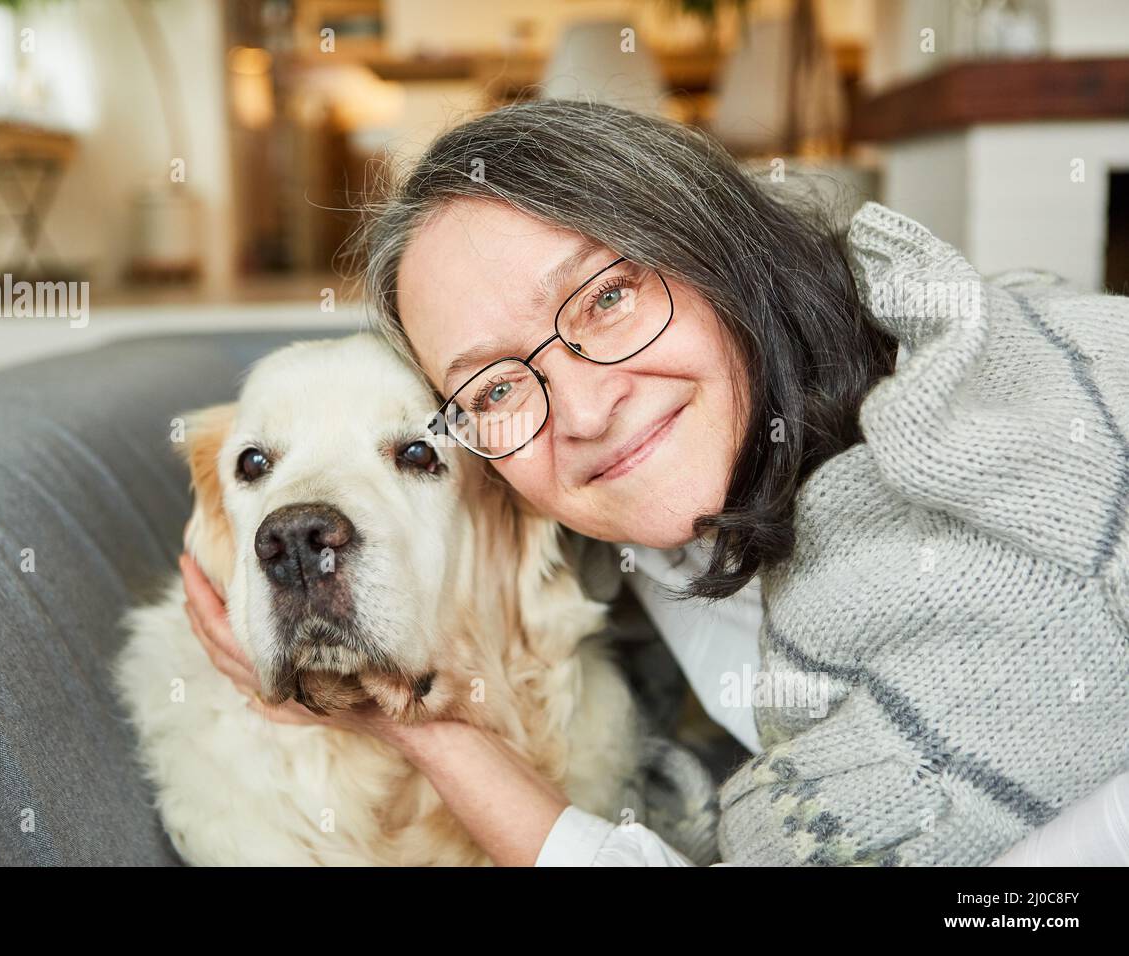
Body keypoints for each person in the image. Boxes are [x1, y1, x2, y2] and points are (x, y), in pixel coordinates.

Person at [181, 99, 1129, 866]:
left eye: (607, 295)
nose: (585, 410)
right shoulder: (628, 535)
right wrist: (414, 713)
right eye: (498, 383)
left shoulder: (1019, 523)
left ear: (720, 247)